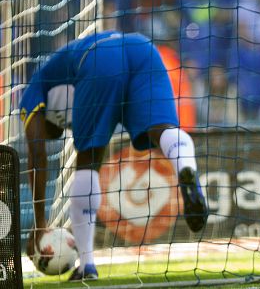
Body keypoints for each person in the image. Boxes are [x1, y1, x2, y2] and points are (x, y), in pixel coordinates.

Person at [19, 31, 209, 280]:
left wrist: (39, 222)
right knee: (162, 130)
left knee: (88, 160)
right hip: (142, 48)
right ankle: (186, 168)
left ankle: (87, 265)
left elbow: (37, 155)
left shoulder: (33, 93)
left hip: (99, 58)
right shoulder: (62, 79)